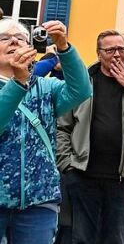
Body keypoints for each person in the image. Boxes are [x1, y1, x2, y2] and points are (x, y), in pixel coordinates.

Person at [58, 30, 124, 244]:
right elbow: (62, 126)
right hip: (82, 173)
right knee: (82, 238)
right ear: (99, 54)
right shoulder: (82, 81)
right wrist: (67, 164)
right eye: (110, 50)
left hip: (123, 178)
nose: (117, 55)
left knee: (116, 239)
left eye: (121, 49)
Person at [0, 19, 91, 243]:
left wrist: (64, 47)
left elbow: (81, 90)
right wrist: (19, 83)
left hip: (39, 201)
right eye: (4, 38)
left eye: (21, 38)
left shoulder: (45, 86)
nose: (14, 41)